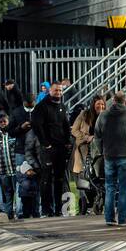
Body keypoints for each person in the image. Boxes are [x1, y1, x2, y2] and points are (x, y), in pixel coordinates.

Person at [97, 90, 126, 228]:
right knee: (124, 189)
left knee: (110, 188)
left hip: (109, 156)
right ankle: (123, 218)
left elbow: (97, 135)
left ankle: (109, 218)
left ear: (112, 101)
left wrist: (102, 151)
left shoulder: (103, 116)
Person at [30, 82, 73, 217]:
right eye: (56, 91)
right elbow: (37, 126)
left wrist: (67, 142)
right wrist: (45, 143)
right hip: (48, 148)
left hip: (61, 148)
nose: (58, 93)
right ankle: (46, 210)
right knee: (46, 179)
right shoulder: (41, 107)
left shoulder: (62, 106)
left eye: (60, 91)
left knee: (60, 179)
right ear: (50, 91)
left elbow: (66, 125)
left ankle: (59, 209)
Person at [71, 96, 105, 199]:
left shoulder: (106, 116)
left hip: (99, 152)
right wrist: (86, 137)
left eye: (103, 104)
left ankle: (98, 199)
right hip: (84, 149)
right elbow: (74, 130)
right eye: (98, 104)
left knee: (98, 177)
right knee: (84, 177)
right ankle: (85, 201)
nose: (101, 106)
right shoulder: (84, 115)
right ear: (93, 104)